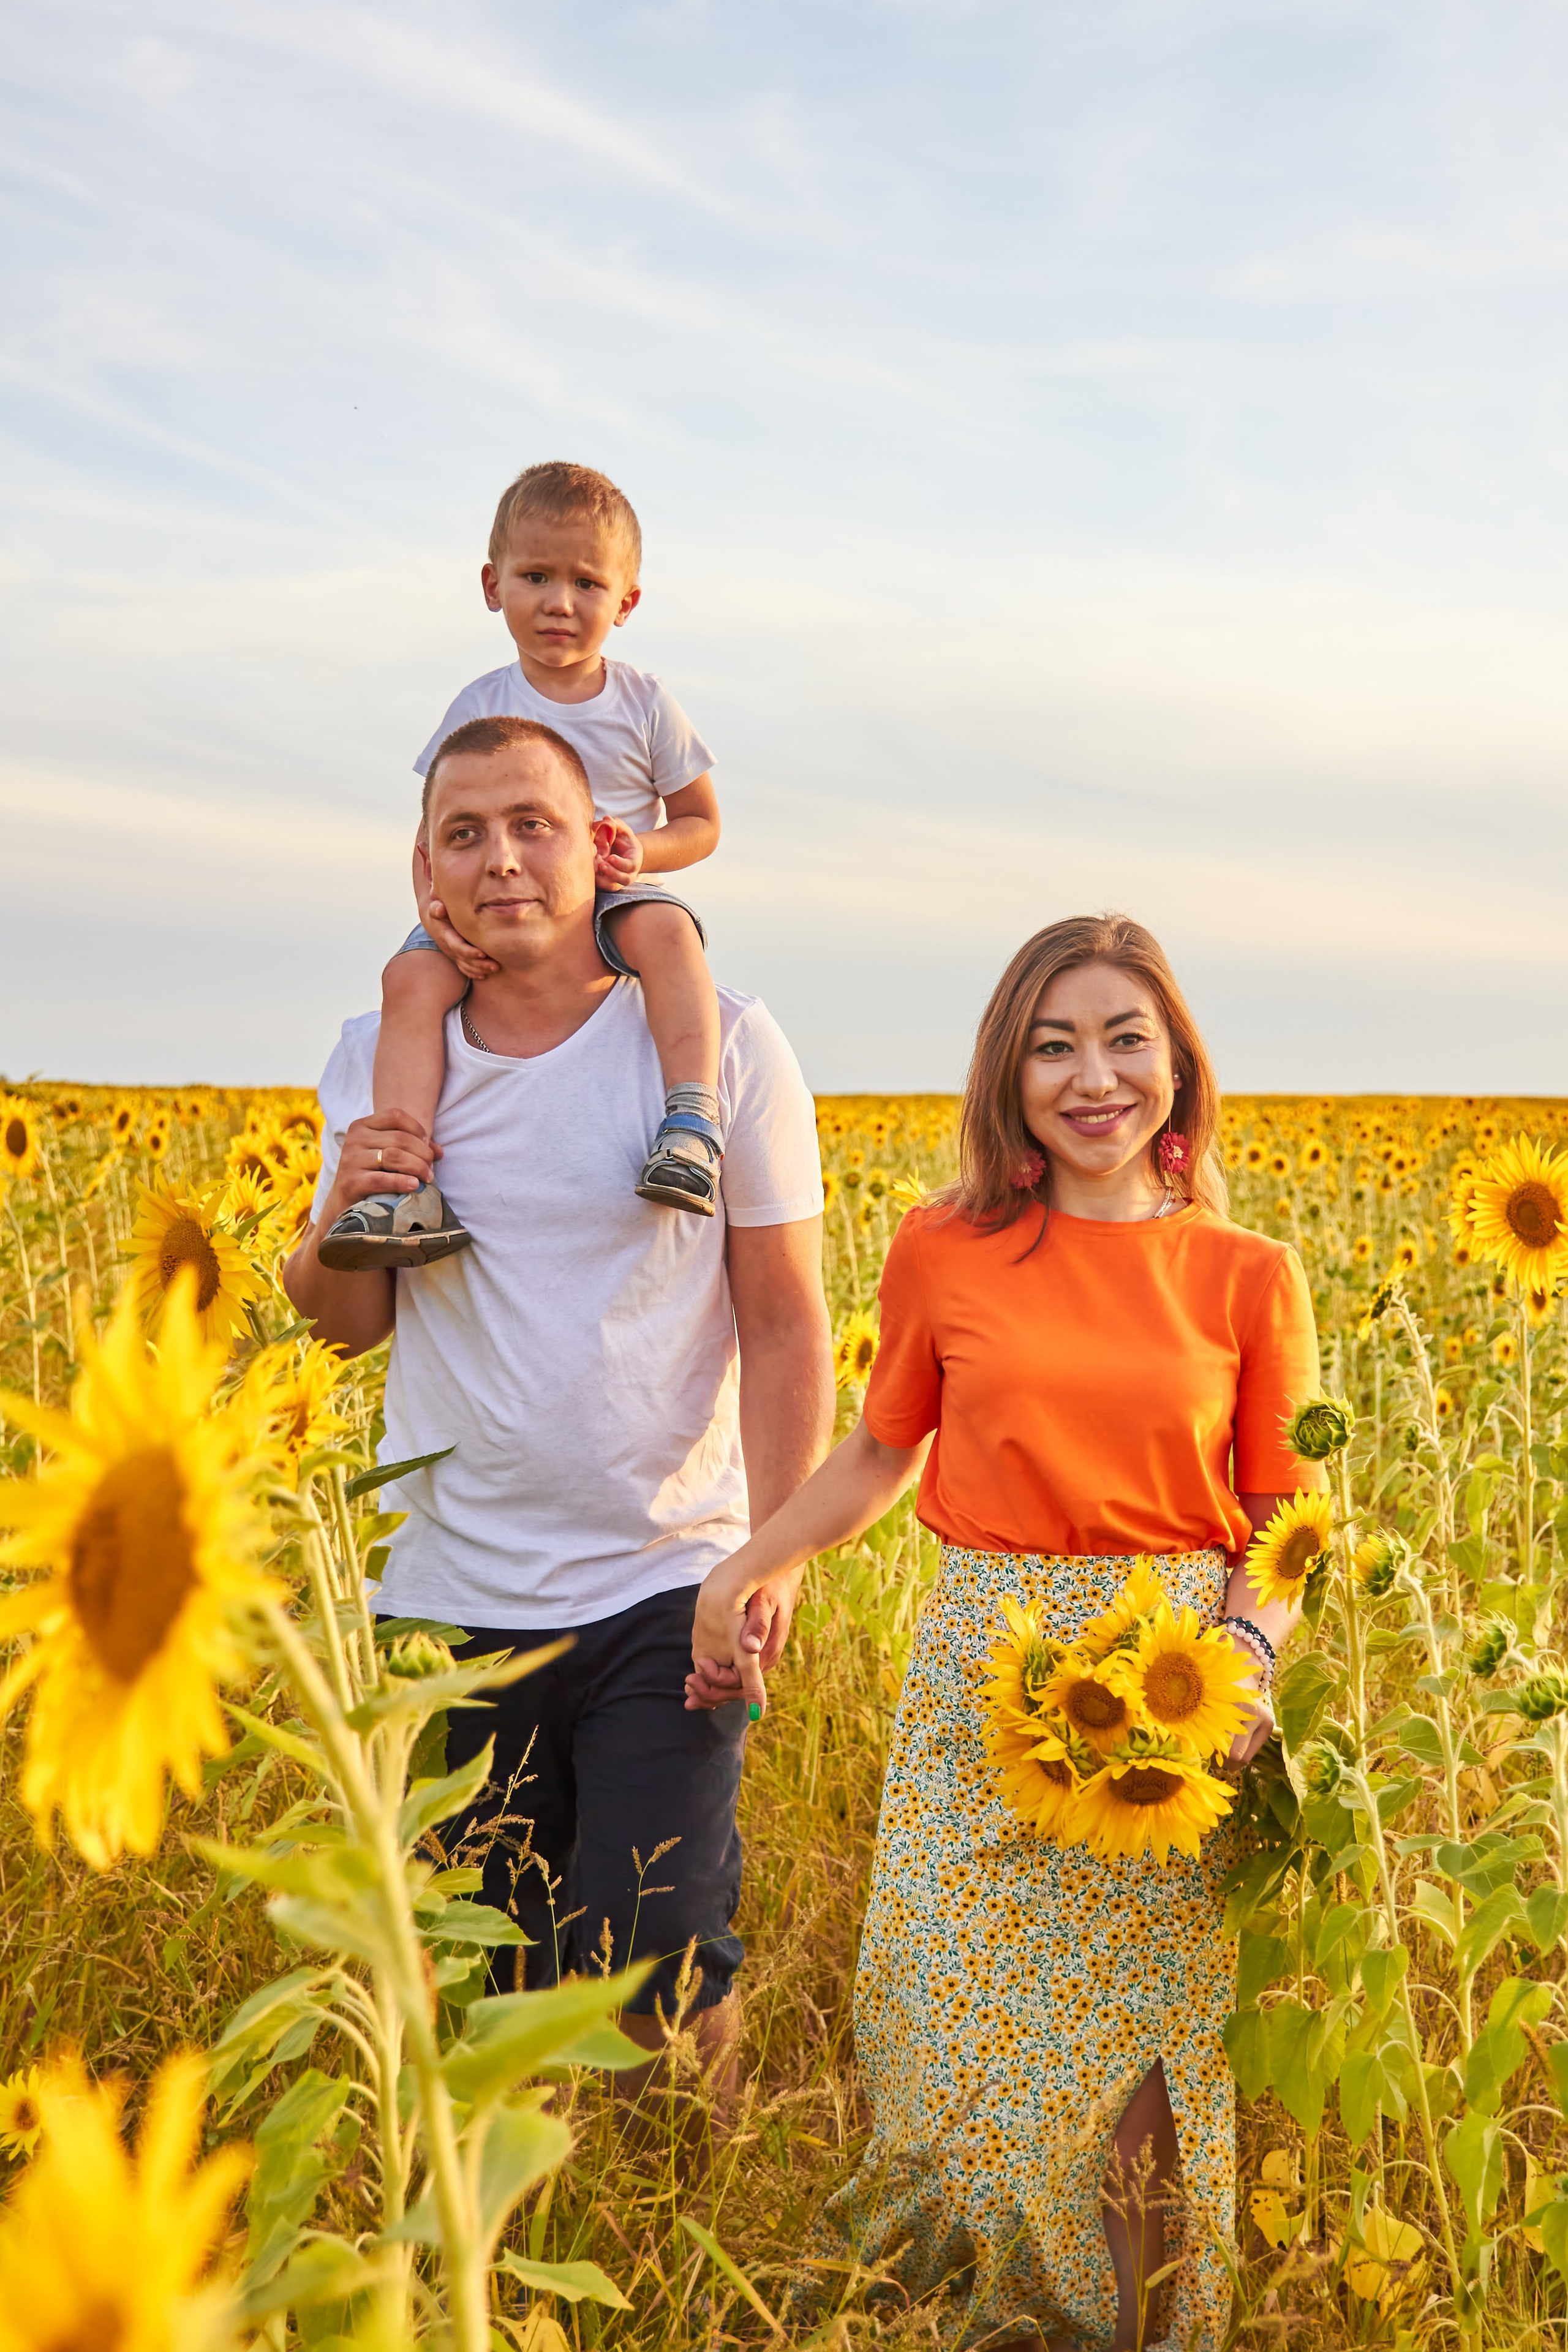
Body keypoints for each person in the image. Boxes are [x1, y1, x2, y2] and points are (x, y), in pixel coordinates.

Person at [685, 914, 1327, 2350]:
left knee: (1142, 2051)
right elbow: (876, 1453)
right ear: (1009, 1076)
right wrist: (747, 1567)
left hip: (1172, 1684)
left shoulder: (1244, 1274)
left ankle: (1138, 2329)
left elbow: (1285, 1523)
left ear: (1175, 1067)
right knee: (942, 2015)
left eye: (1122, 1040)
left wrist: (1246, 1659)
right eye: (1053, 1046)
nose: (1090, 1077)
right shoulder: (946, 1245)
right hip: (982, 1666)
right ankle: (970, 2318)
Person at [284, 714, 835, 2090]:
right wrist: (338, 1217)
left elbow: (781, 1323)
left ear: (599, 848)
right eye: (463, 835)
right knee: (493, 1977)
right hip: (451, 1594)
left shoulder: (725, 1044)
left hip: (669, 1577)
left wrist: (775, 1558)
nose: (500, 861)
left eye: (530, 824)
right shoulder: (377, 1057)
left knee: (655, 1961)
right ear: (424, 877)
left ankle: (673, 2226)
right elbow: (349, 1322)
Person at [318, 459, 726, 1272]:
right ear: (491, 585)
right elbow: (434, 834)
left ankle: (690, 1122)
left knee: (671, 936)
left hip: (611, 897)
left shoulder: (644, 702)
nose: (559, 603)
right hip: (489, 905)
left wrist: (643, 852)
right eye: (535, 576)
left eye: (586, 583)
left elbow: (703, 824)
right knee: (409, 982)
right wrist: (436, 910)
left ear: (627, 601)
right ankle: (402, 1185)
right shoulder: (479, 705)